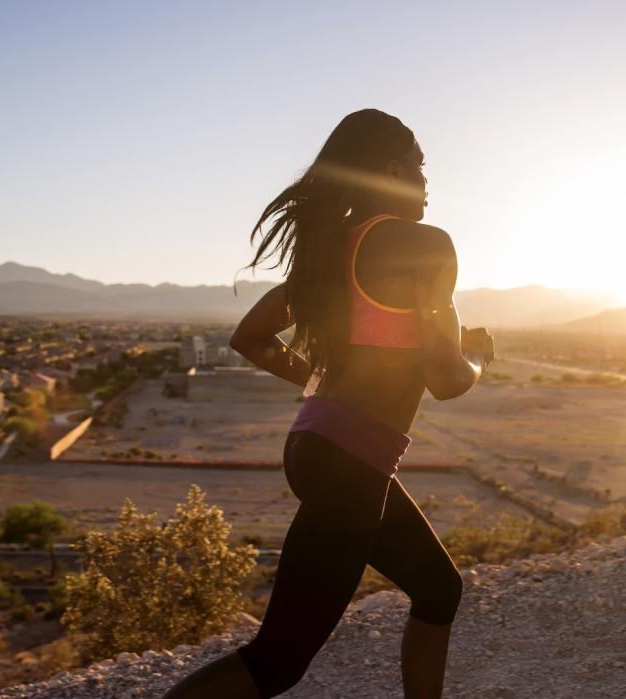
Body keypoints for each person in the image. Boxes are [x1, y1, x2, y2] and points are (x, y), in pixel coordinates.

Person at [162, 108, 495, 699]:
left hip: (317, 443)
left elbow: (249, 336)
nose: (426, 183)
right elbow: (446, 379)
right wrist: (477, 354)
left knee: (439, 588)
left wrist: (315, 379)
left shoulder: (328, 254)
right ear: (392, 169)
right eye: (420, 168)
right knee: (277, 662)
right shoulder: (425, 245)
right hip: (351, 462)